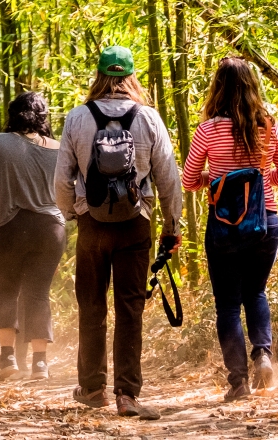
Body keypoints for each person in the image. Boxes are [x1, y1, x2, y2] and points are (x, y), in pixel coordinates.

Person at [54, 46, 182, 420]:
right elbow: (169, 179)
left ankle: (92, 388)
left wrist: (73, 213)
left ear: (99, 76)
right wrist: (172, 228)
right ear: (131, 77)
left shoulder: (77, 118)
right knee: (130, 308)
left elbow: (62, 179)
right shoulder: (149, 118)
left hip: (92, 222)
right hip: (135, 222)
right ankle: (127, 394)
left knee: (91, 305)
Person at [181, 57, 278, 401]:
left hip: (224, 225)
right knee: (256, 293)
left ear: (218, 87)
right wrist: (259, 182)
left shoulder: (208, 130)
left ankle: (238, 383)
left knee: (229, 305)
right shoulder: (268, 126)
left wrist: (216, 180)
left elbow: (188, 180)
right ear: (251, 87)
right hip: (265, 222)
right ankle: (262, 354)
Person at [0, 92, 65, 382]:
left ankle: (7, 359)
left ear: (13, 115)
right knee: (38, 293)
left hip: (8, 227)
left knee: (5, 289)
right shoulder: (58, 148)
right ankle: (40, 364)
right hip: (49, 230)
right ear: (43, 117)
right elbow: (68, 189)